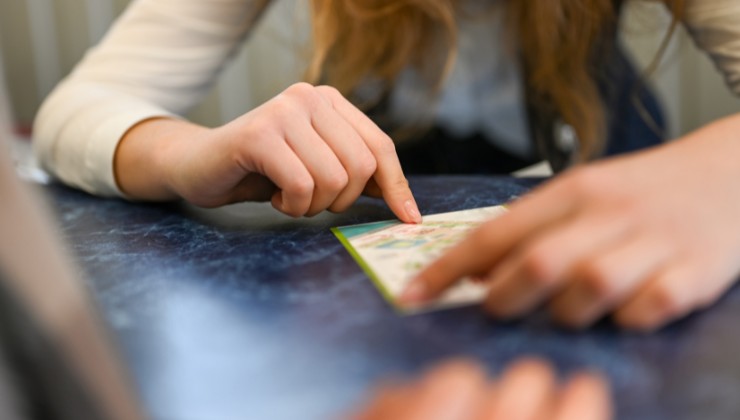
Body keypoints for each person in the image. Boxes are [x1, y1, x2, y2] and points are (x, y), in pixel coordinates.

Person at [33, 0, 740, 331]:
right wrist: (189, 151)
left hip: (614, 188)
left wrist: (718, 173)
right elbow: (79, 109)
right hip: (389, 286)